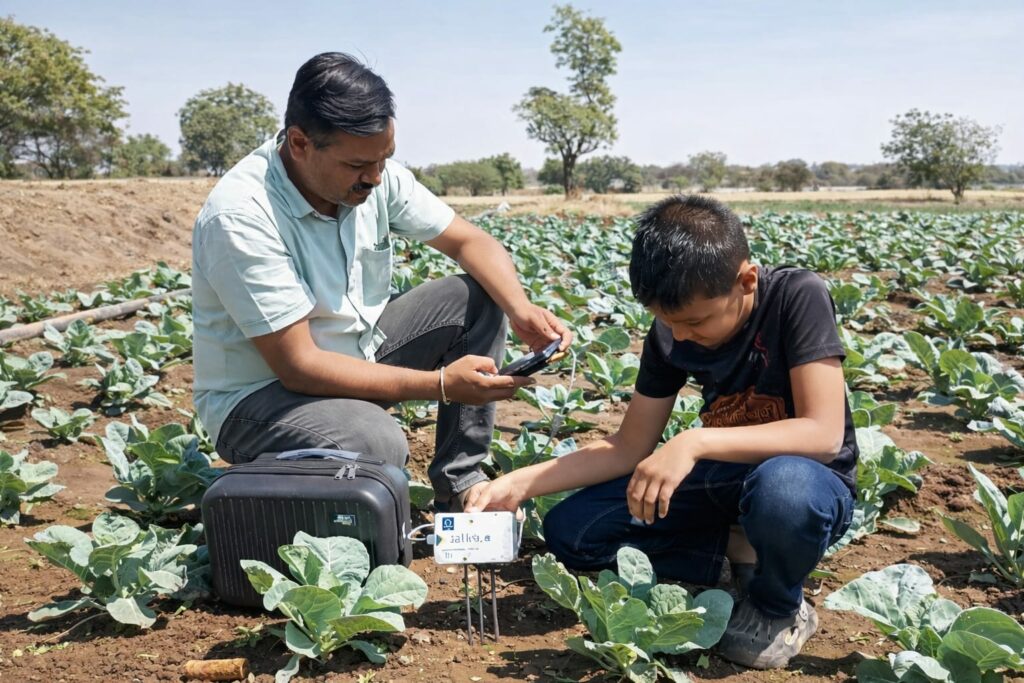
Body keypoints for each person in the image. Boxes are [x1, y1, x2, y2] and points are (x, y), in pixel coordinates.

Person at [465, 195, 857, 669]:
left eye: (695, 321)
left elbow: (823, 433)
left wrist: (693, 441)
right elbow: (628, 445)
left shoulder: (797, 296)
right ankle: (737, 549)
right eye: (669, 322)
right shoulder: (671, 333)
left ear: (746, 280)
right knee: (574, 531)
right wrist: (518, 483)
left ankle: (778, 604)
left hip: (808, 479)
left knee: (784, 492)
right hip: (727, 478)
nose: (682, 335)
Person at [191, 52, 570, 511]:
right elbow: (299, 365)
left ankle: (461, 484)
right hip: (260, 400)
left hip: (355, 356)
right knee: (377, 445)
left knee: (477, 297)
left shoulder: (371, 174)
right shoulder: (242, 215)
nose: (374, 177)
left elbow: (471, 241)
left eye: (384, 159)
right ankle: (273, 486)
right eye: (357, 166)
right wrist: (441, 384)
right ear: (299, 143)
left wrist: (520, 308)